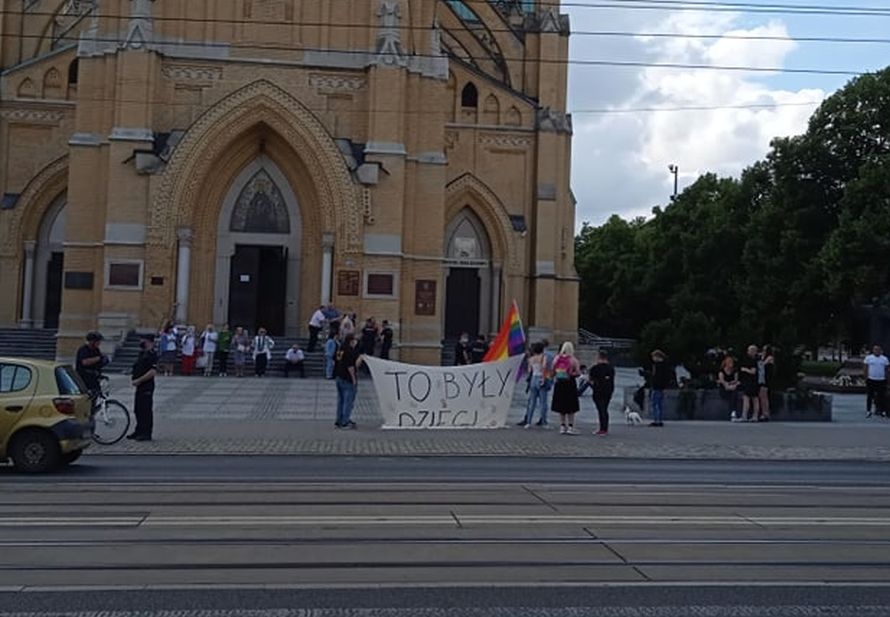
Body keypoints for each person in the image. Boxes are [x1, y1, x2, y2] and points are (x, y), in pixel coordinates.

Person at [128, 334, 158, 442]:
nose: (141, 341)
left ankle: (146, 433)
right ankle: (139, 430)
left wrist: (139, 380)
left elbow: (152, 372)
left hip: (146, 386)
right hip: (139, 386)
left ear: (149, 341)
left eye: (143, 340)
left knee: (145, 410)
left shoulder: (152, 354)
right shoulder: (142, 353)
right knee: (138, 409)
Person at [551, 342, 581, 435]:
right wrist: (572, 374)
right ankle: (570, 427)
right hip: (570, 384)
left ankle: (562, 426)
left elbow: (553, 370)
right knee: (571, 407)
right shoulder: (573, 360)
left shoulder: (557, 358)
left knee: (561, 406)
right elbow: (578, 373)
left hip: (559, 384)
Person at [334, 333, 362, 428]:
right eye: (355, 340)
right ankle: (345, 422)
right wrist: (354, 379)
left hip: (339, 376)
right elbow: (351, 366)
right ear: (351, 340)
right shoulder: (350, 350)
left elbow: (338, 360)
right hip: (347, 378)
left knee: (341, 400)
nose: (355, 342)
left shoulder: (341, 348)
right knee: (348, 401)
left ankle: (339, 420)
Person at [520, 343, 549, 428]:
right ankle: (544, 421)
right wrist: (543, 379)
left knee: (532, 402)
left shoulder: (531, 359)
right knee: (543, 402)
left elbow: (529, 370)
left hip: (533, 378)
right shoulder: (543, 357)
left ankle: (528, 421)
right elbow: (544, 368)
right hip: (540, 377)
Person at [589, 351, 615, 436]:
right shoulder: (611, 368)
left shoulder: (595, 368)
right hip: (608, 391)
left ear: (599, 357)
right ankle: (605, 428)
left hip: (598, 390)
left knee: (601, 410)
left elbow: (591, 380)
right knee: (605, 409)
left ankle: (602, 429)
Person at [864, 345, 889, 418]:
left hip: (881, 380)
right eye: (875, 349)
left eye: (878, 350)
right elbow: (865, 368)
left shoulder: (884, 359)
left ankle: (882, 411)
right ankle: (868, 411)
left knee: (882, 396)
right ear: (873, 350)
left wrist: (887, 379)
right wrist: (866, 378)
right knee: (869, 396)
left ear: (880, 350)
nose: (876, 351)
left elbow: (887, 370)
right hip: (871, 379)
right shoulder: (868, 358)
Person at [739, 345, 760, 422]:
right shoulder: (758, 360)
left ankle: (745, 416)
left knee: (747, 398)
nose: (748, 352)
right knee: (755, 398)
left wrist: (745, 369)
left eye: (750, 350)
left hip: (751, 382)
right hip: (754, 382)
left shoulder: (754, 361)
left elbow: (753, 371)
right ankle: (755, 416)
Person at [649, 349, 670, 427]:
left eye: (653, 357)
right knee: (659, 404)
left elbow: (656, 377)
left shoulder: (658, 366)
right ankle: (659, 420)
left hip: (657, 387)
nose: (653, 359)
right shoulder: (665, 365)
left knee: (655, 404)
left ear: (657, 357)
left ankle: (656, 420)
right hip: (661, 387)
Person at [718, 355, 740, 421]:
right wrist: (727, 386)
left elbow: (736, 380)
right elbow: (722, 381)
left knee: (734, 394)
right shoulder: (721, 371)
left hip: (733, 387)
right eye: (729, 362)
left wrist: (733, 385)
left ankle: (733, 413)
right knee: (731, 396)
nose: (731, 363)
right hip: (724, 388)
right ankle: (733, 413)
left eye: (731, 362)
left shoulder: (735, 370)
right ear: (726, 363)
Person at [758, 345, 774, 421]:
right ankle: (763, 412)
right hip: (762, 378)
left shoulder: (770, 357)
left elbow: (762, 364)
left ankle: (766, 413)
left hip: (767, 378)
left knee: (764, 396)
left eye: (765, 350)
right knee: (762, 396)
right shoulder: (762, 356)